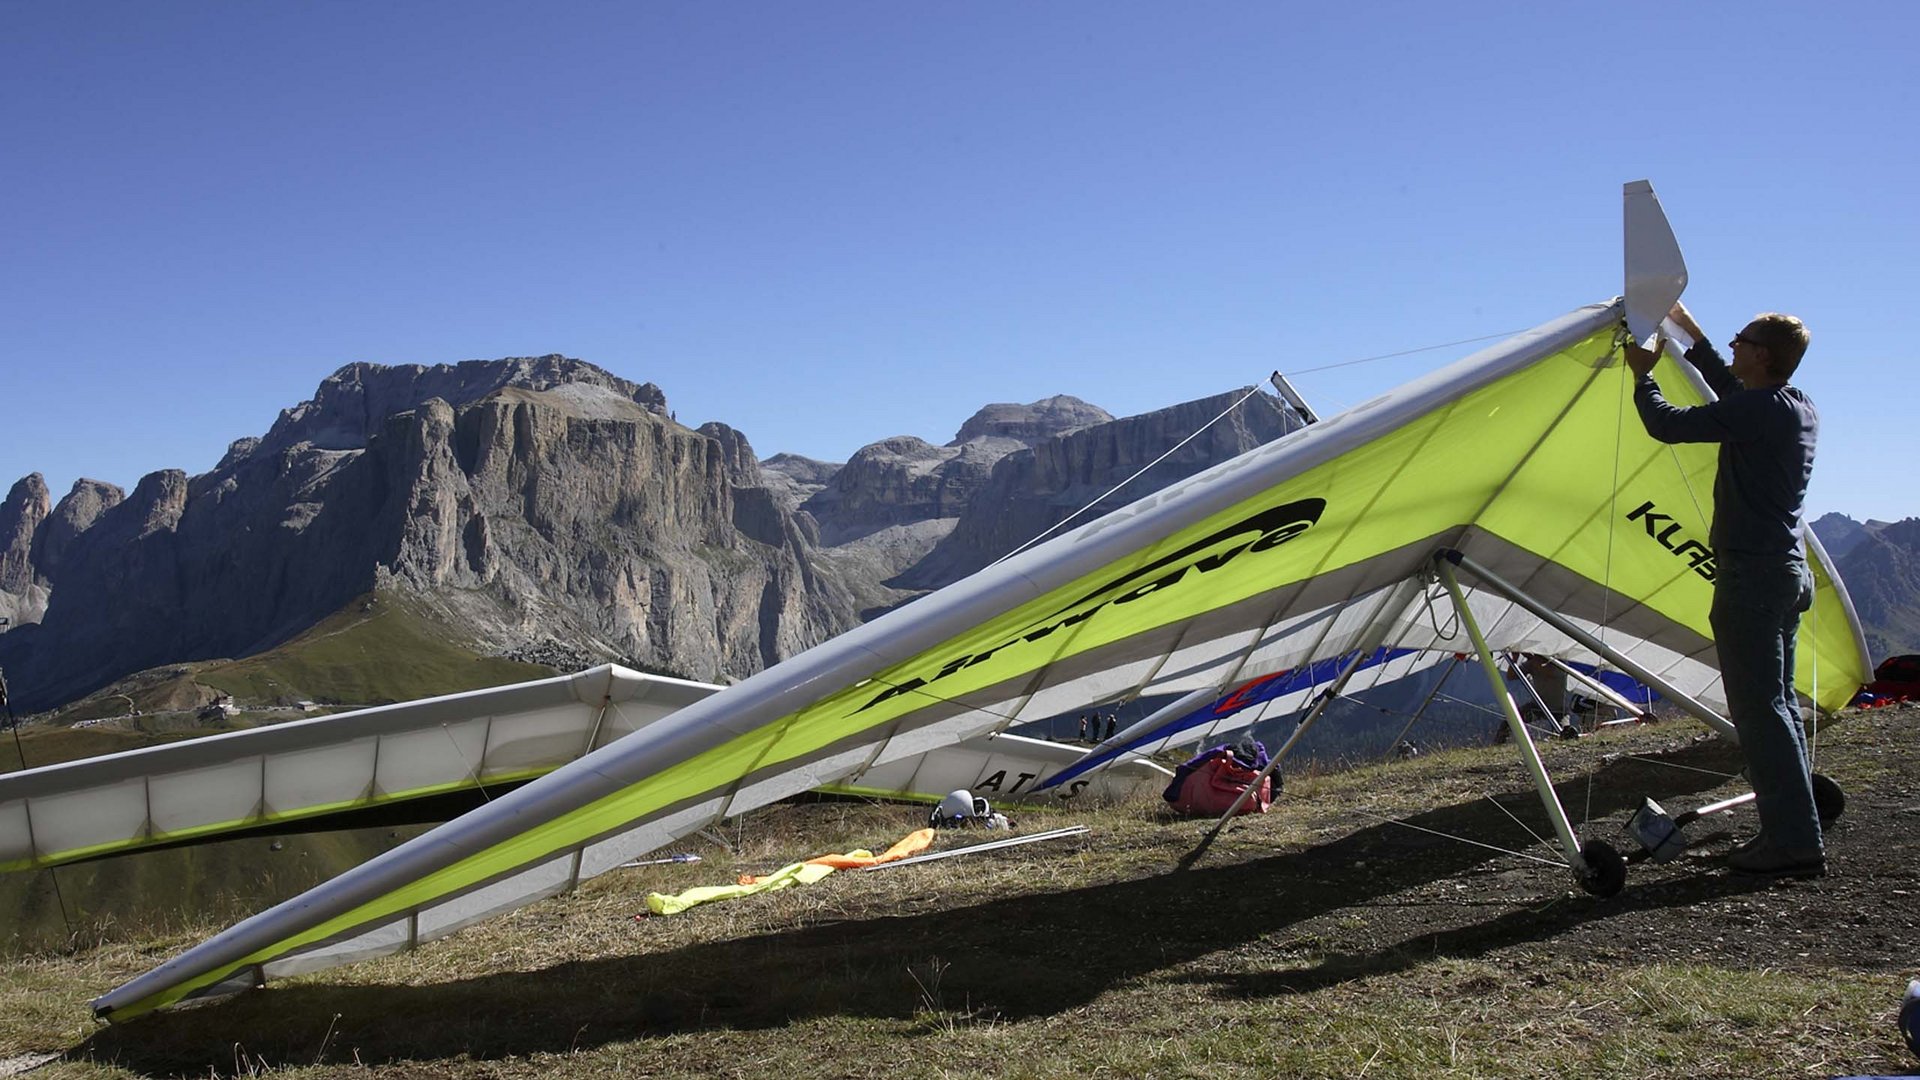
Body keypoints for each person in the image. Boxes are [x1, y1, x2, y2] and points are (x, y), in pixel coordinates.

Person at [1624, 300, 1823, 878]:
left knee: (1760, 712)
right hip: (1786, 573)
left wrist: (1644, 375)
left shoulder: (1758, 409)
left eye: (1742, 341)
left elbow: (1666, 425)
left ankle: (1792, 844)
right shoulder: (1794, 406)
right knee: (1778, 706)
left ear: (1761, 355)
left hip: (1753, 577)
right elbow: (1728, 383)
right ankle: (1794, 828)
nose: (1733, 348)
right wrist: (1686, 328)